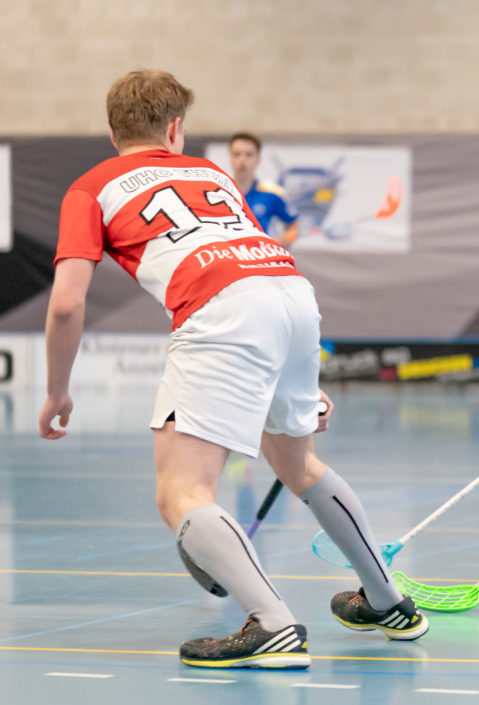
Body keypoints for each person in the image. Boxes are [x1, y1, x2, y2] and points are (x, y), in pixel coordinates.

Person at [38, 70, 427, 669]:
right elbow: (253, 264)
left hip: (221, 312)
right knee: (298, 464)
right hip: (292, 295)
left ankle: (273, 625)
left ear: (113, 132)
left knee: (182, 492)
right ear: (175, 129)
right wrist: (301, 375)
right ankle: (386, 600)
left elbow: (66, 303)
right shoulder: (211, 173)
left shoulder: (91, 188)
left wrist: (57, 391)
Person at [228, 132, 296, 246]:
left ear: (258, 159)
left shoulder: (272, 193)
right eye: (237, 154)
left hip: (261, 255)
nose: (242, 160)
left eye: (248, 154)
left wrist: (277, 243)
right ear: (230, 158)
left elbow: (293, 225)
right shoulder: (219, 192)